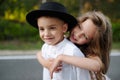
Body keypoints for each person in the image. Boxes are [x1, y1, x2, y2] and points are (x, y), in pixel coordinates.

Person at [37, 11, 112, 80]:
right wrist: (46, 63)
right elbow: (40, 53)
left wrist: (61, 57)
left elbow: (96, 66)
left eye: (85, 36)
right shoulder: (62, 39)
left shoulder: (88, 51)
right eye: (79, 27)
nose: (77, 34)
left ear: (92, 42)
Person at [26, 2, 90, 80]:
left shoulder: (72, 52)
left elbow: (83, 77)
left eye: (52, 28)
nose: (46, 34)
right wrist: (46, 63)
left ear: (64, 28)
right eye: (42, 29)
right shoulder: (45, 47)